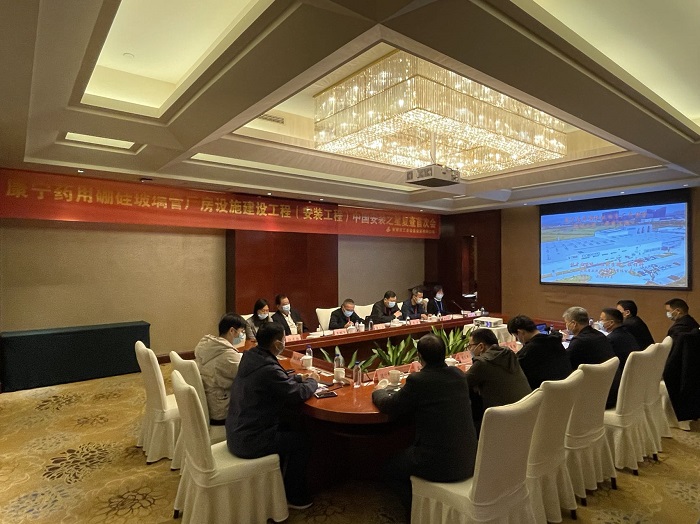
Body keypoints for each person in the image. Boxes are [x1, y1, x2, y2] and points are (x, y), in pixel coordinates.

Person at [372, 334, 477, 513]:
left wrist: (379, 390)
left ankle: (416, 514)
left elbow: (389, 406)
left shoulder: (418, 381)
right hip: (470, 459)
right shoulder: (459, 375)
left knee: (388, 469)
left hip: (439, 463)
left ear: (419, 357)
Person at [226, 323, 319, 510]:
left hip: (238, 430)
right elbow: (296, 394)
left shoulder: (251, 356)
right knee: (302, 441)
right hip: (250, 440)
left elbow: (276, 382)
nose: (285, 342)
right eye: (283, 339)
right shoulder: (268, 368)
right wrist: (312, 382)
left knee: (291, 424)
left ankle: (281, 484)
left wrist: (296, 378)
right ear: (277, 343)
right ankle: (294, 496)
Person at [465, 328, 531, 434]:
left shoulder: (483, 363)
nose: (470, 349)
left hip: (504, 418)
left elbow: (462, 383)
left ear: (481, 346)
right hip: (527, 411)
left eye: (470, 346)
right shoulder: (508, 354)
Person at [194, 313, 247, 424]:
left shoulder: (209, 346)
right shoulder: (227, 355)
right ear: (232, 331)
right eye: (242, 331)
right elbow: (247, 375)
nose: (243, 335)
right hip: (221, 411)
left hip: (210, 401)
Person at [563, 306, 617, 408]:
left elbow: (565, 363)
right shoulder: (600, 335)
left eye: (566, 322)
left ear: (574, 324)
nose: (566, 326)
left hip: (597, 399)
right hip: (611, 391)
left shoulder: (579, 341)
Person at [506, 314, 572, 390]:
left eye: (516, 337)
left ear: (520, 332)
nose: (518, 340)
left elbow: (515, 373)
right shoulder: (554, 340)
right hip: (566, 386)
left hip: (545, 391)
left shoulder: (527, 352)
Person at [599, 307, 640, 407]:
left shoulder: (611, 339)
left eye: (602, 320)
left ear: (611, 323)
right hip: (634, 381)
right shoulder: (627, 333)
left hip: (618, 385)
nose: (600, 322)